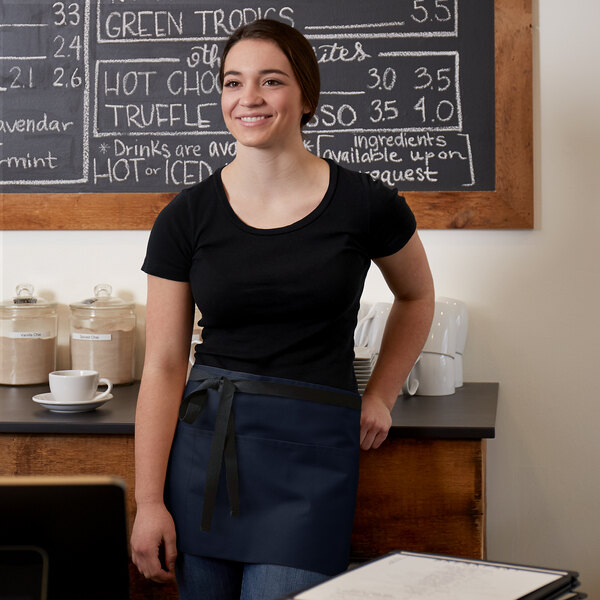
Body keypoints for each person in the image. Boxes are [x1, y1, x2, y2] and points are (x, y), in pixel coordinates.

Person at [131, 18, 434, 600]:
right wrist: (148, 502)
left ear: (306, 94)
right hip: (207, 453)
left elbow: (418, 297)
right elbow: (165, 364)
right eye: (232, 82)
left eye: (270, 81)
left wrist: (382, 394)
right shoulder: (184, 217)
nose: (248, 98)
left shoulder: (368, 204)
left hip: (312, 456)